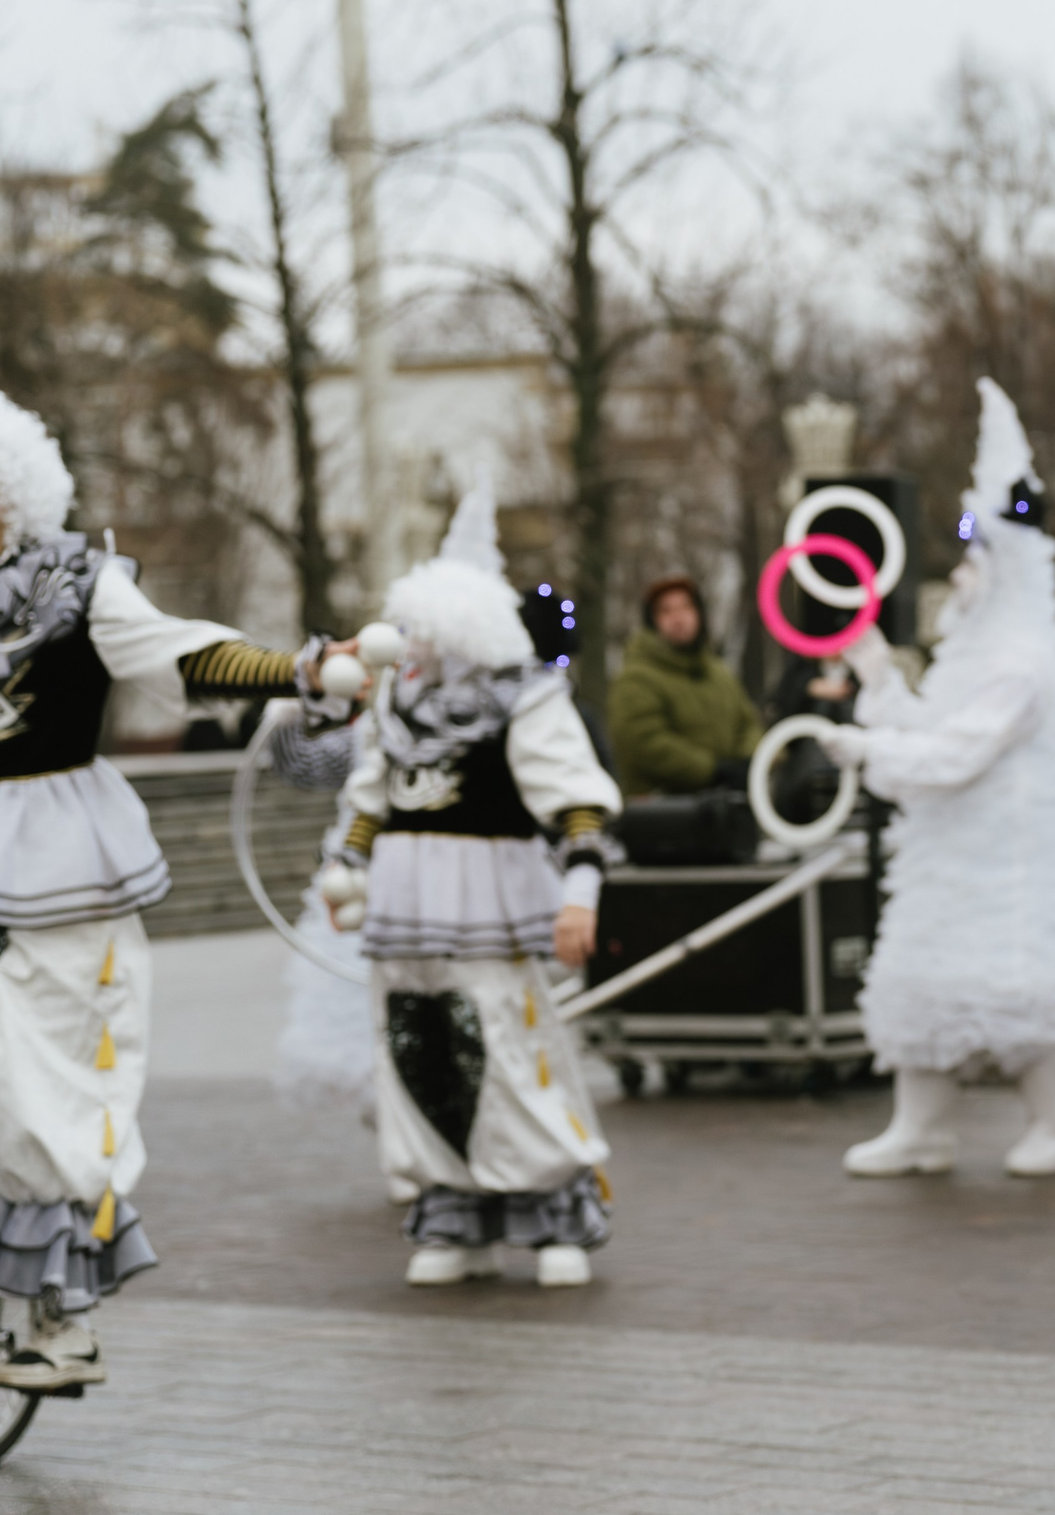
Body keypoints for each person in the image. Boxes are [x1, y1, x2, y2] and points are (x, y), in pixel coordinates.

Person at [0, 390, 350, 1393]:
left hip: (56, 862)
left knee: (48, 1080)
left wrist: (304, 670)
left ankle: (56, 1316)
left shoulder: (77, 584)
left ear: (17, 484)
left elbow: (184, 652)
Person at [820, 381, 1055, 1178]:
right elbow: (927, 730)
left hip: (1017, 860)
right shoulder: (972, 656)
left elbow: (959, 753)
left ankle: (1051, 1123)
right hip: (953, 855)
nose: (962, 573)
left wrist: (867, 754)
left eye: (976, 556)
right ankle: (920, 1126)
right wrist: (871, 673)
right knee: (926, 975)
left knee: (1020, 985)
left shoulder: (1024, 666)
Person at [318, 485, 623, 1288]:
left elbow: (577, 799)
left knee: (508, 1048)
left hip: (491, 901)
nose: (408, 643)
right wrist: (346, 867)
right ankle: (456, 1213)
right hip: (406, 910)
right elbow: (370, 799)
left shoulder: (525, 698)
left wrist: (581, 892)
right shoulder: (394, 704)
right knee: (419, 1051)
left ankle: (550, 1209)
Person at [607, 575, 763, 798]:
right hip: (665, 812)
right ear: (653, 621)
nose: (678, 618)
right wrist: (712, 769)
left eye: (686, 607)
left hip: (728, 805)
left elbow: (748, 723)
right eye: (666, 611)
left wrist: (746, 762)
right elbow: (644, 742)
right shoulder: (636, 677)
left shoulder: (719, 673)